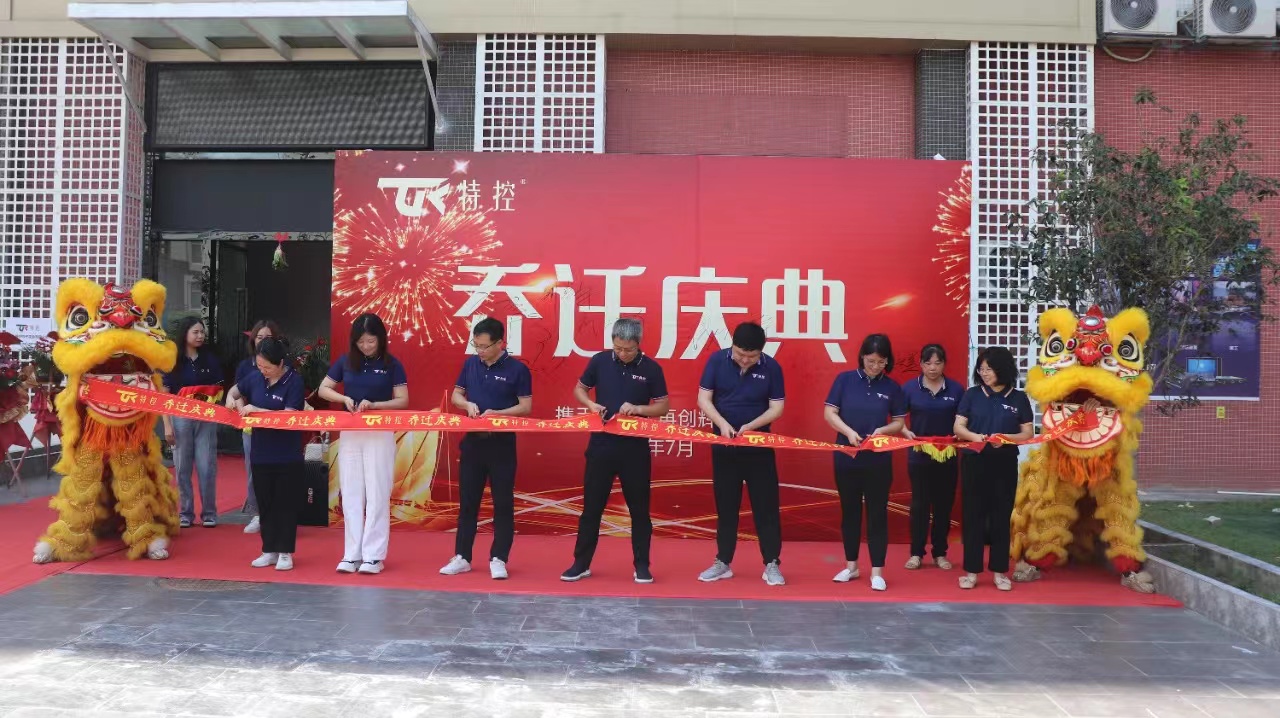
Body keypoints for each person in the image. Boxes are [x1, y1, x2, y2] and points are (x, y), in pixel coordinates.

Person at [561, 318, 669, 584]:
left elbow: (663, 406)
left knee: (639, 511)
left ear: (638, 344)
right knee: (592, 508)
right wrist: (591, 405)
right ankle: (581, 563)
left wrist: (639, 409)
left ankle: (642, 565)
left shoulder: (651, 369)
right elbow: (580, 389)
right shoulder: (600, 361)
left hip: (634, 449)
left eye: (628, 349)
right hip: (601, 446)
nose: (622, 353)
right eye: (617, 348)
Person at [440, 318, 532, 580]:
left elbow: (526, 406)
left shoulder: (517, 369)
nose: (479, 351)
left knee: (502, 503)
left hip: (501, 445)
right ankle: (462, 557)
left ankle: (498, 558)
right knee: (468, 502)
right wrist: (466, 405)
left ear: (500, 343)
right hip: (473, 443)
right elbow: (456, 395)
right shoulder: (471, 364)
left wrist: (499, 414)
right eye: (476, 345)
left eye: (484, 346)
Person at [696, 322, 786, 586]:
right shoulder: (716, 361)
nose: (745, 360)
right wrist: (722, 424)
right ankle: (723, 561)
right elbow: (703, 399)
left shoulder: (772, 368)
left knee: (766, 507)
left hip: (758, 447)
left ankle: (772, 563)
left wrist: (751, 426)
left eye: (751, 356)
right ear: (732, 345)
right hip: (724, 446)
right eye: (740, 354)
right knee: (726, 506)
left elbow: (776, 408)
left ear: (761, 352)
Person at [318, 314, 409, 575]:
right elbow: (324, 388)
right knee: (351, 492)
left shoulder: (392, 364)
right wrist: (344, 399)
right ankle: (352, 554)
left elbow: (402, 400)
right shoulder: (346, 361)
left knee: (377, 493)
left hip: (379, 432)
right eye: (361, 342)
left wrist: (376, 405)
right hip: (351, 431)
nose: (366, 346)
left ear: (381, 339)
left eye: (371, 341)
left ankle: (373, 556)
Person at [823, 334, 906, 591]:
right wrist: (848, 432)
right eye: (871, 361)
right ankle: (851, 566)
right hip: (846, 456)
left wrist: (883, 430)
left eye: (881, 362)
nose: (875, 366)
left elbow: (899, 423)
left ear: (887, 361)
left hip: (878, 459)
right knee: (850, 511)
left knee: (877, 513)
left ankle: (877, 571)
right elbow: (829, 413)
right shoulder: (845, 380)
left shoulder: (892, 388)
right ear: (862, 357)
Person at [953, 346, 1035, 591]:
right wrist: (975, 437)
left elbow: (1027, 433)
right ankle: (971, 572)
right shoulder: (972, 394)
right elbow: (958, 427)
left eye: (989, 369)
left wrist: (1006, 439)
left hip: (1004, 463)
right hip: (974, 461)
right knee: (973, 516)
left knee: (1001, 517)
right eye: (981, 369)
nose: (984, 373)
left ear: (1003, 369)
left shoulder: (1018, 398)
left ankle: (1000, 572)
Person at [226, 337, 306, 571]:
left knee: (285, 504)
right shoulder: (255, 378)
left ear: (280, 363)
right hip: (260, 452)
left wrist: (257, 410)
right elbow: (234, 392)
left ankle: (285, 552)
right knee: (266, 503)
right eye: (260, 366)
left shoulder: (294, 381)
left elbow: (289, 417)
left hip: (286, 454)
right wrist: (233, 402)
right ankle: (269, 549)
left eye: (268, 367)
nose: (263, 371)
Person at [900, 343, 964, 571]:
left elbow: (964, 420)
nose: (933, 368)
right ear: (921, 364)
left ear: (944, 364)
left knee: (943, 506)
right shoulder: (909, 388)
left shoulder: (956, 390)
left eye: (937, 363)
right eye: (928, 363)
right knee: (919, 505)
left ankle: (940, 553)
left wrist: (960, 434)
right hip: (919, 456)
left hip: (947, 456)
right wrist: (905, 432)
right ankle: (916, 553)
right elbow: (898, 418)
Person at [162, 316, 223, 529]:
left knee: (207, 466)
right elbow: (165, 396)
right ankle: (185, 512)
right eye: (195, 332)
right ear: (185, 334)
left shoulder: (210, 360)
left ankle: (209, 513)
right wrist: (167, 425)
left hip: (206, 418)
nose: (200, 336)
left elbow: (218, 390)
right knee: (182, 467)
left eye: (202, 332)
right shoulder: (172, 361)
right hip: (180, 418)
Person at [228, 319, 281, 536]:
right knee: (254, 470)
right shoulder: (246, 367)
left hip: (278, 427)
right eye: (260, 337)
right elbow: (236, 393)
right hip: (252, 427)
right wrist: (239, 408)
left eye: (268, 337)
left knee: (279, 470)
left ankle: (279, 514)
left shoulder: (284, 366)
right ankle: (258, 513)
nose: (263, 341)